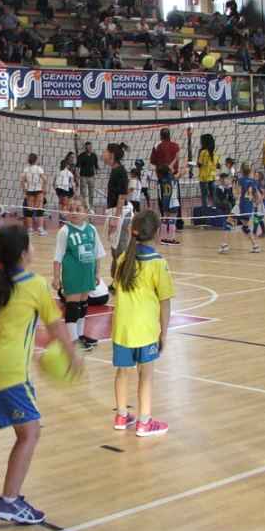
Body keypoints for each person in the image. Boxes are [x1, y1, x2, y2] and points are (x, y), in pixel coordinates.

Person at [0, 225, 80, 524]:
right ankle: (9, 501)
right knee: (30, 433)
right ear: (24, 253)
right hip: (8, 370)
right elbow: (55, 326)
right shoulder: (35, 284)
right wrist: (71, 355)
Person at [111, 209, 174, 437]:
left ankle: (121, 416)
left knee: (123, 371)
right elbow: (165, 303)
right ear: (157, 232)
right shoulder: (158, 263)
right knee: (146, 372)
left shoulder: (123, 258)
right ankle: (144, 422)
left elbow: (117, 288)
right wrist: (164, 333)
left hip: (122, 328)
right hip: (145, 330)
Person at [52, 197, 106, 352]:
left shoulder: (91, 229)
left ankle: (80, 335)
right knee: (73, 306)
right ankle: (73, 340)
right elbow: (58, 256)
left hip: (87, 273)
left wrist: (97, 273)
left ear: (86, 212)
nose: (74, 213)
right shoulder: (65, 231)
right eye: (71, 209)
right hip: (72, 274)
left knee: (83, 305)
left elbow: (97, 253)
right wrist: (56, 277)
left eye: (78, 209)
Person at [104, 142, 131, 289]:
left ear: (112, 155)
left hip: (121, 214)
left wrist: (115, 217)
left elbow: (122, 196)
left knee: (120, 250)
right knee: (115, 251)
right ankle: (116, 282)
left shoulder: (120, 171)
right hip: (115, 213)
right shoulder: (115, 171)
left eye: (105, 151)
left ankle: (124, 282)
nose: (103, 154)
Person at [220, 162, 262, 254]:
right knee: (245, 227)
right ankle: (255, 246)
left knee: (227, 223)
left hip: (241, 206)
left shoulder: (241, 180)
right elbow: (258, 198)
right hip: (249, 207)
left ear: (242, 170)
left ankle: (224, 245)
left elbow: (237, 194)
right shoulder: (252, 181)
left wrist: (232, 189)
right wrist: (255, 205)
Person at [20, 153, 47, 236]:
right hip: (38, 190)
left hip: (30, 191)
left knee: (30, 210)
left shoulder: (26, 169)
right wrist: (45, 188)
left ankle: (30, 229)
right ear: (36, 160)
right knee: (39, 209)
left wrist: (25, 190)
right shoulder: (39, 169)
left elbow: (22, 181)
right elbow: (45, 179)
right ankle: (40, 229)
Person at [196, 134, 218, 208]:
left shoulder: (203, 152)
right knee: (214, 194)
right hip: (212, 176)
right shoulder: (215, 153)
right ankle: (215, 209)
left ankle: (205, 210)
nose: (200, 142)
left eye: (201, 141)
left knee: (204, 195)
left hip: (204, 177)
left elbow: (199, 165)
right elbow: (217, 165)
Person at [76, 141, 99, 211]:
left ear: (91, 147)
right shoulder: (81, 156)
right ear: (85, 148)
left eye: (90, 147)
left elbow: (96, 165)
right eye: (87, 148)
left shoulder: (94, 156)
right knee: (83, 193)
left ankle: (90, 208)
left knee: (91, 193)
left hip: (91, 176)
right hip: (83, 176)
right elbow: (77, 166)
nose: (89, 149)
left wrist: (97, 170)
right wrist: (77, 172)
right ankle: (84, 207)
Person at [53, 158, 75, 223]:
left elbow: (53, 183)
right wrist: (74, 190)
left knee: (60, 202)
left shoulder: (58, 172)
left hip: (58, 188)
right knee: (65, 203)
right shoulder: (68, 172)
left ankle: (60, 216)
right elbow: (72, 183)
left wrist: (56, 189)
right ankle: (64, 216)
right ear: (67, 165)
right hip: (64, 188)